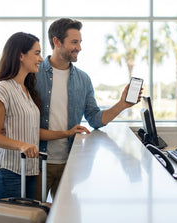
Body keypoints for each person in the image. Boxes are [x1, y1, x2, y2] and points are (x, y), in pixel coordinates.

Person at [35, 18, 142, 201]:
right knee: (35, 215)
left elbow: (94, 118)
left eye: (80, 42)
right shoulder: (34, 75)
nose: (79, 47)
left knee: (67, 216)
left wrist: (122, 104)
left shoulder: (83, 79)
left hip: (70, 163)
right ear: (56, 41)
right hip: (37, 163)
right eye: (74, 42)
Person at [0, 32, 44, 199]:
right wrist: (22, 146)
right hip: (8, 172)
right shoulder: (3, 88)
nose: (40, 59)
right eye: (36, 53)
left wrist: (68, 133)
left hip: (29, 170)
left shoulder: (27, 90)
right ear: (21, 55)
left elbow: (32, 130)